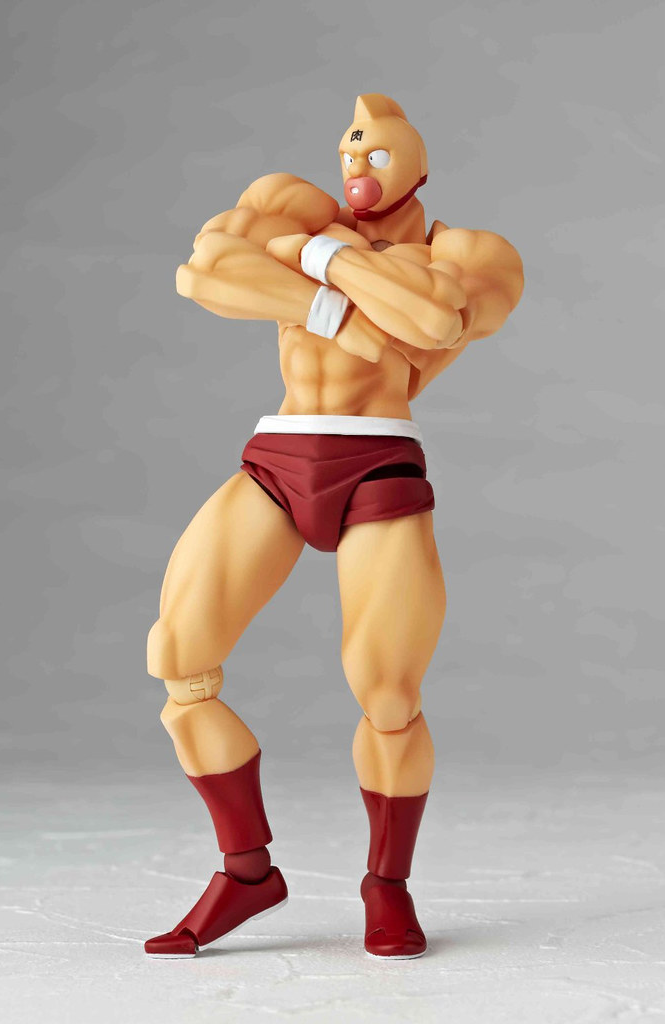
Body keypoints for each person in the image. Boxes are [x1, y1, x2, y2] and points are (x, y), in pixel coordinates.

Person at [144, 93, 524, 960]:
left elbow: (435, 318)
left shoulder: (465, 252)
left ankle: (386, 885)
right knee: (180, 662)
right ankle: (246, 872)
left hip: (378, 465)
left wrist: (318, 257)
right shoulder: (291, 200)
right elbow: (204, 272)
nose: (356, 166)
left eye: (375, 153)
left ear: (417, 166)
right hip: (279, 458)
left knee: (388, 694)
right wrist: (335, 309)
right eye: (350, 150)